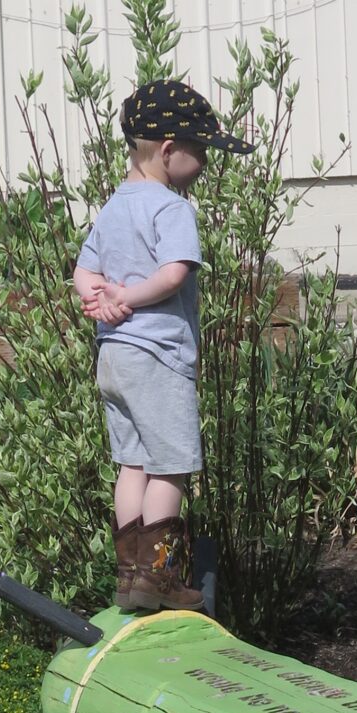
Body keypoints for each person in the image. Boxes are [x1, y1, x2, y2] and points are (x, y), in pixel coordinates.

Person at [72, 79, 253, 610]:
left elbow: (83, 272)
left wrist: (102, 302)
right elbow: (175, 274)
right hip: (157, 357)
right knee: (169, 466)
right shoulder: (172, 209)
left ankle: (130, 578)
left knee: (132, 465)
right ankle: (160, 578)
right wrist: (129, 295)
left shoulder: (113, 205)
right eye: (201, 152)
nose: (205, 164)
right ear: (169, 151)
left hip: (114, 357)